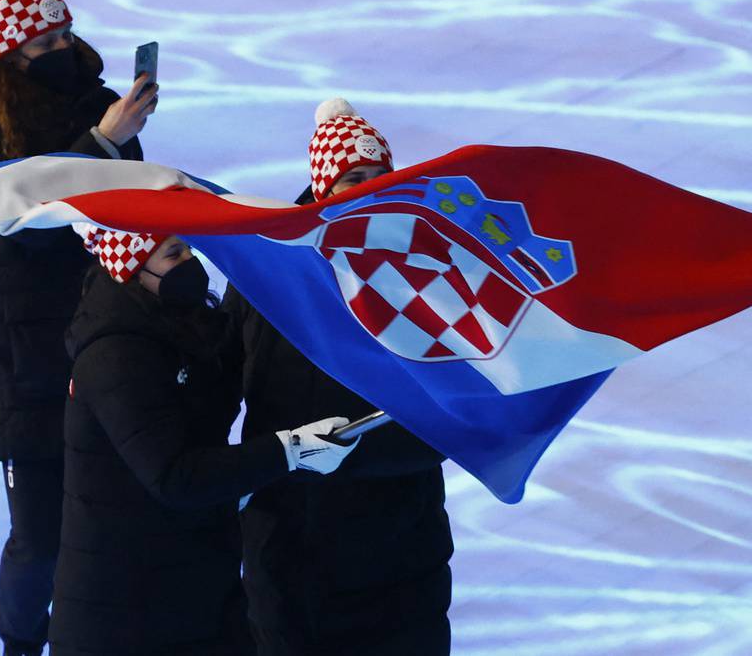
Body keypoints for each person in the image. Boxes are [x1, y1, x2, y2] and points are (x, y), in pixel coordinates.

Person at [0, 0, 157, 656]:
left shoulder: (98, 100)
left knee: (111, 514)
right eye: (45, 42)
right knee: (39, 533)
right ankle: (18, 643)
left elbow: (127, 207)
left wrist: (119, 140)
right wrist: (103, 142)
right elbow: (17, 230)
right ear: (8, 52)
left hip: (106, 324)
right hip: (26, 345)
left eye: (64, 33)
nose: (63, 48)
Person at [50, 229, 362, 656]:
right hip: (124, 613)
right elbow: (176, 477)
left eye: (189, 249)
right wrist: (288, 451)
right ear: (130, 268)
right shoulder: (114, 355)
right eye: (174, 254)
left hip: (196, 586)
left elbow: (220, 385)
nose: (191, 263)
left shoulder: (180, 321)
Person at [224, 98, 454, 655]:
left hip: (402, 544)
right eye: (354, 177)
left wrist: (355, 452)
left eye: (381, 176)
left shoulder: (423, 268)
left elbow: (449, 408)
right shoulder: (268, 265)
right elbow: (220, 375)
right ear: (323, 186)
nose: (371, 189)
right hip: (298, 541)